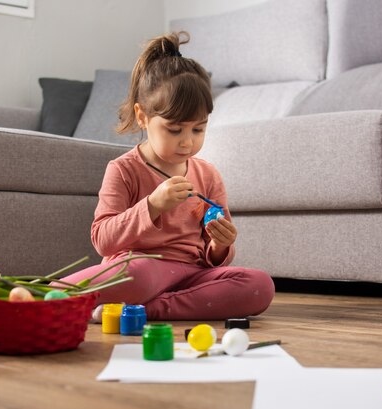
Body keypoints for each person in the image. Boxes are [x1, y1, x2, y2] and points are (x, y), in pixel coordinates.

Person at [60, 32, 274, 320]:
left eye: (198, 129)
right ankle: (52, 295)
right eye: (175, 130)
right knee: (138, 277)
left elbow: (214, 259)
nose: (187, 142)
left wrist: (221, 244)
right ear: (142, 116)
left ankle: (142, 311)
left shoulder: (208, 174)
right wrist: (152, 205)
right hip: (143, 268)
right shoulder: (123, 169)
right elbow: (103, 240)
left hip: (194, 274)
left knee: (259, 285)